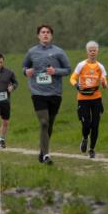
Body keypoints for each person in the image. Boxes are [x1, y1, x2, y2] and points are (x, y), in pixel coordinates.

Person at [22, 24, 71, 165]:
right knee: (44, 122)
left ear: (51, 35)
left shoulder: (59, 52)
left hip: (55, 93)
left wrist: (55, 71)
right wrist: (26, 71)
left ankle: (42, 151)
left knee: (49, 124)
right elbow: (24, 67)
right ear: (38, 35)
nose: (45, 34)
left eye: (48, 32)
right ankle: (46, 155)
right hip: (37, 92)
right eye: (42, 32)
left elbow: (68, 69)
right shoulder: (31, 52)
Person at [71, 41, 108, 159]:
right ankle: (85, 138)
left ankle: (92, 149)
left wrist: (103, 83)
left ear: (97, 52)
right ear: (87, 52)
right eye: (90, 50)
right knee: (86, 124)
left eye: (94, 50)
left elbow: (105, 85)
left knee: (95, 125)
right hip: (83, 99)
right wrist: (76, 85)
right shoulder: (81, 65)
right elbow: (72, 78)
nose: (92, 52)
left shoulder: (100, 67)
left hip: (96, 98)